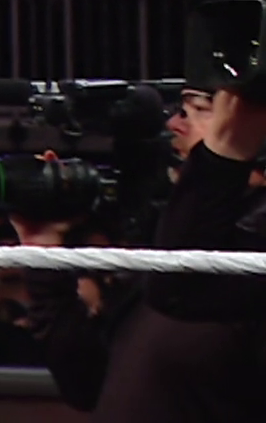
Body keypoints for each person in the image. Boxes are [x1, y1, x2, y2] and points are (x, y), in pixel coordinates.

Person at [22, 85, 266, 421]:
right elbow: (87, 384)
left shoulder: (245, 254)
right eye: (181, 110)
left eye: (201, 109)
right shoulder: (172, 243)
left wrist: (223, 156)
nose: (174, 125)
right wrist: (45, 252)